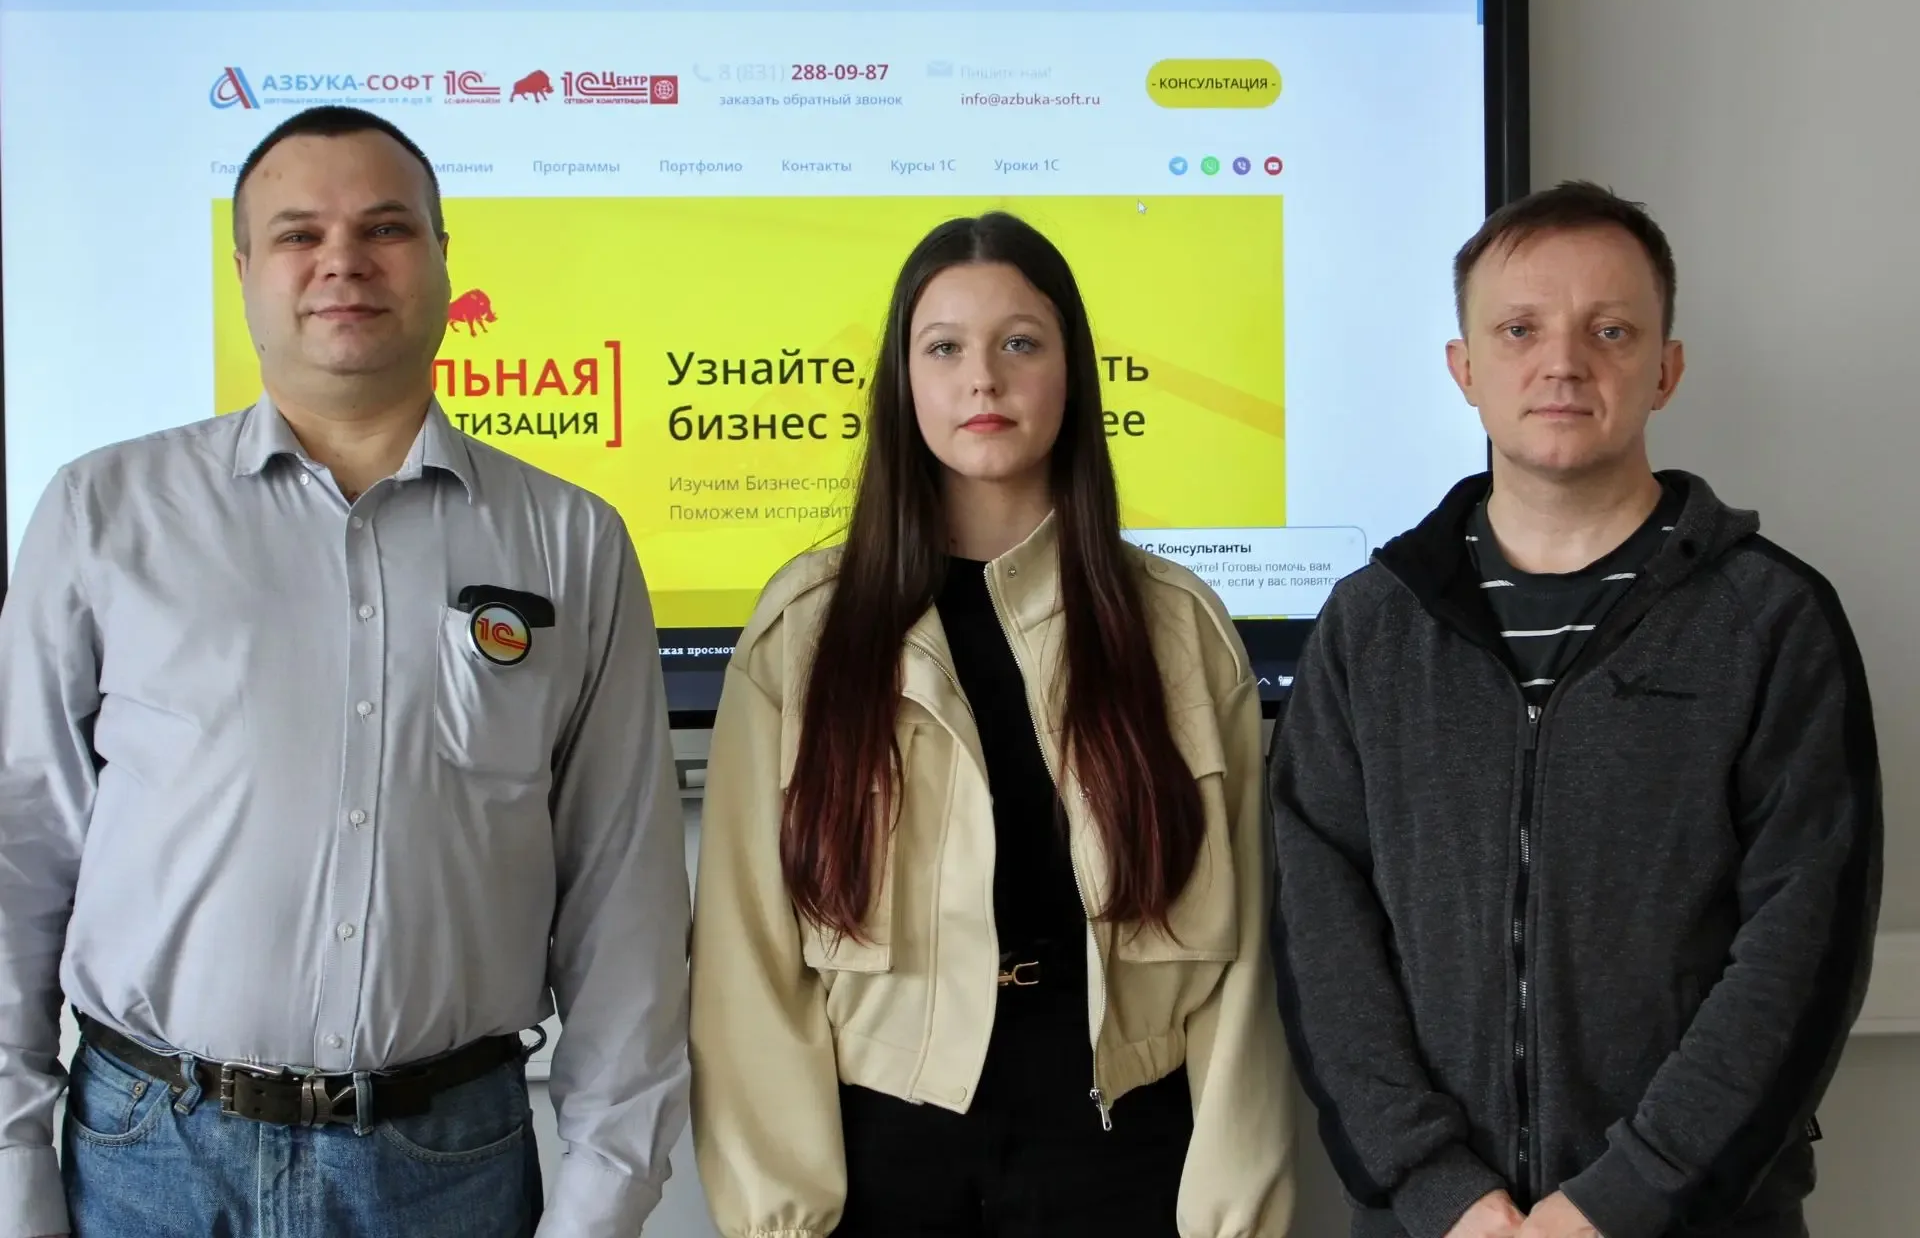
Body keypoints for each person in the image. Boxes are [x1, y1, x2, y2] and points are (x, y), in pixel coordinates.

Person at [0, 105, 691, 1238]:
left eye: (385, 228)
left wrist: (605, 1196)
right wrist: (13, 1171)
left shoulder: (571, 541)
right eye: (297, 234)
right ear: (243, 272)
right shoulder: (102, 512)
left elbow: (625, 897)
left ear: (444, 260)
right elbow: (20, 849)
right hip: (146, 1158)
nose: (343, 261)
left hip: (448, 1166)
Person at [1268, 180, 1882, 1238]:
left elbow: (1801, 948)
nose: (1562, 363)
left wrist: (1617, 1201)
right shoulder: (1369, 627)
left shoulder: (1772, 619)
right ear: (1464, 368)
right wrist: (1441, 1189)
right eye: (1519, 330)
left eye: (1610, 330)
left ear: (1666, 368)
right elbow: (1322, 930)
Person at [688, 211, 1293, 1237]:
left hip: (1123, 1146)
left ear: (1073, 373)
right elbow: (747, 955)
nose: (983, 380)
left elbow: (1243, 975)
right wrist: (781, 1213)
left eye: (1020, 342)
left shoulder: (1179, 628)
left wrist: (1234, 1214)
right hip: (881, 1153)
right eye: (944, 348)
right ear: (904, 381)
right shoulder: (805, 629)